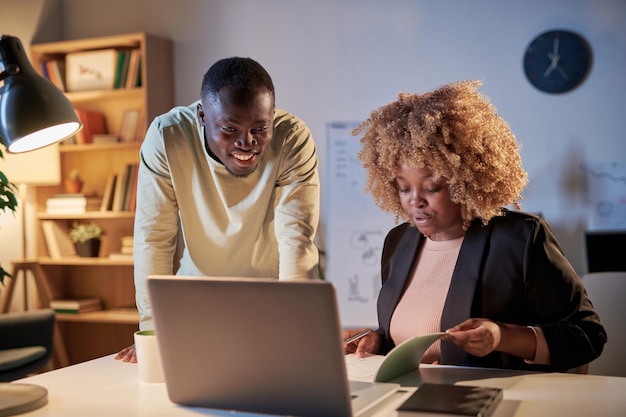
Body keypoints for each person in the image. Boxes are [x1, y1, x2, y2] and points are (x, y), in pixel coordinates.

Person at [343, 80, 606, 372]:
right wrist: (377, 340)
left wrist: (504, 337)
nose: (415, 201)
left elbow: (587, 337)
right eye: (404, 188)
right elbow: (414, 340)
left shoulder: (520, 238)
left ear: (464, 183)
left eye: (431, 188)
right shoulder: (398, 242)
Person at [116, 57, 320, 363]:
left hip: (272, 305)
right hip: (197, 309)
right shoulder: (166, 136)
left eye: (260, 128)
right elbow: (153, 239)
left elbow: (296, 239)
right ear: (202, 115)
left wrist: (292, 327)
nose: (246, 143)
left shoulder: (291, 138)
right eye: (229, 128)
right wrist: (154, 329)